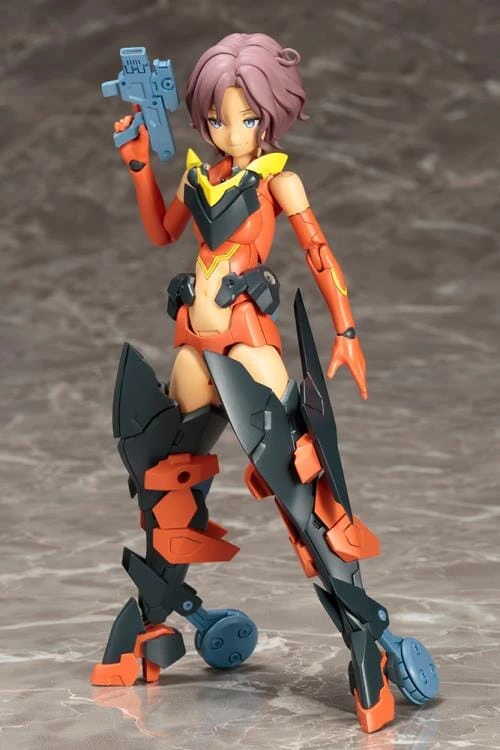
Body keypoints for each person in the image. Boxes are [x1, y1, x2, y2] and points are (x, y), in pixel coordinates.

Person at [91, 33, 439, 734]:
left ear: (270, 116)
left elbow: (319, 253)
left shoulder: (278, 180)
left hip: (250, 347)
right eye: (218, 118)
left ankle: (365, 637)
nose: (232, 131)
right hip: (194, 343)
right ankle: (149, 625)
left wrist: (346, 332)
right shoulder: (199, 177)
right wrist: (138, 162)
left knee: (301, 489)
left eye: (247, 117)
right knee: (165, 486)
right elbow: (162, 231)